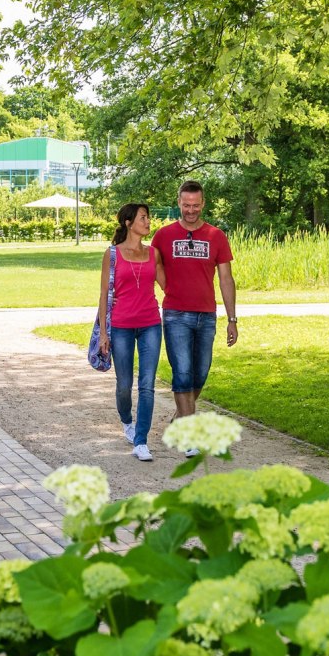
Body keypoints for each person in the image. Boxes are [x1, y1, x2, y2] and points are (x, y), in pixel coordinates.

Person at [150, 180, 236, 454]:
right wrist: (167, 288)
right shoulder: (163, 235)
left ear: (203, 204)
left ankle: (180, 417)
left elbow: (225, 278)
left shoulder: (216, 236)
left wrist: (232, 319)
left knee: (200, 373)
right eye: (186, 205)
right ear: (178, 203)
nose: (190, 210)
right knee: (183, 372)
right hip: (175, 314)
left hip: (206, 315)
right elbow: (154, 265)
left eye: (195, 205)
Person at [96, 203, 167, 461]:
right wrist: (104, 332)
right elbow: (104, 294)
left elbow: (168, 286)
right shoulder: (112, 254)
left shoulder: (154, 253)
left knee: (147, 385)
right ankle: (127, 420)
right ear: (128, 222)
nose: (148, 222)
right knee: (124, 385)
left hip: (150, 323)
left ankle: (141, 441)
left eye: (148, 217)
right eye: (143, 218)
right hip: (122, 325)